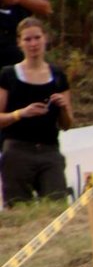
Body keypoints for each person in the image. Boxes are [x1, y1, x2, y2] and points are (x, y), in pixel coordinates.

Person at [0, 18, 72, 207]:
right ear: (19, 43)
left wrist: (63, 107)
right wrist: (20, 113)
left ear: (45, 39)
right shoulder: (8, 75)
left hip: (49, 149)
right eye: (27, 39)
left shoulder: (57, 75)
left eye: (37, 38)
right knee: (19, 211)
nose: (33, 44)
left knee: (57, 208)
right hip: (17, 150)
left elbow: (67, 124)